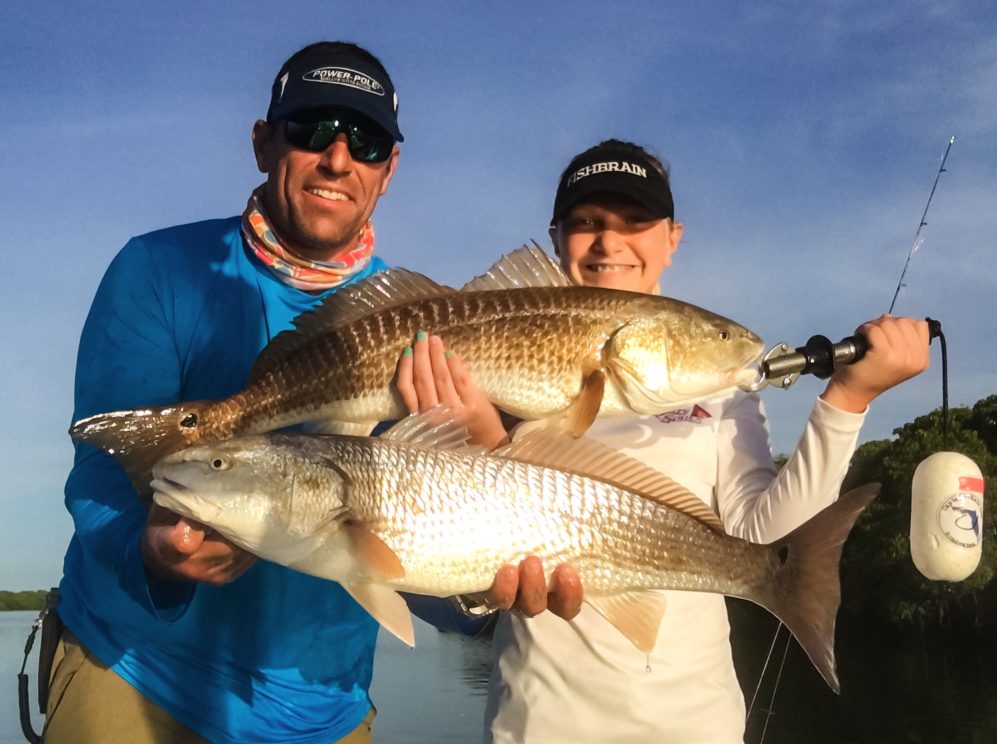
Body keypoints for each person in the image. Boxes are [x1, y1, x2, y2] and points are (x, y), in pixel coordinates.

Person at [46, 41, 572, 744]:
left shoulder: (435, 334)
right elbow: (103, 481)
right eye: (311, 128)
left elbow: (420, 576)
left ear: (389, 170)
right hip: (135, 669)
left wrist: (481, 588)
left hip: (322, 710)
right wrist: (151, 556)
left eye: (367, 139)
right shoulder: (155, 270)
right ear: (263, 143)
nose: (338, 157)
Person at [398, 139, 930, 743]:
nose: (609, 241)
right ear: (554, 238)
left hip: (694, 726)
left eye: (635, 222)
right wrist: (480, 456)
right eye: (586, 223)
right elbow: (433, 591)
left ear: (672, 238)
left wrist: (847, 401)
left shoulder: (724, 390)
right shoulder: (478, 375)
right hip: (535, 726)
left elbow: (769, 546)